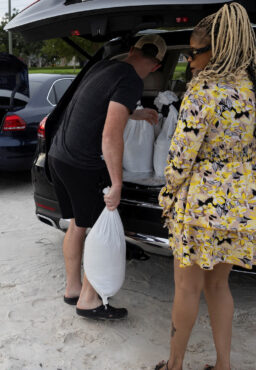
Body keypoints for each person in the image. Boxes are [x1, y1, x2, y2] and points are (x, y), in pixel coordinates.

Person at [154, 3, 256, 370]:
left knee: (187, 287)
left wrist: (169, 192)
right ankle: (224, 365)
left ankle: (175, 366)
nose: (190, 61)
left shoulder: (203, 91)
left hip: (203, 207)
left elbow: (179, 161)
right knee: (219, 286)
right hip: (248, 203)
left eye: (195, 53)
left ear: (219, 49)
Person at [47, 34, 165, 320]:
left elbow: (95, 107)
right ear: (156, 66)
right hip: (85, 165)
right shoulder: (131, 80)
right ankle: (89, 300)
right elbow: (111, 135)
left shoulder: (104, 67)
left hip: (59, 156)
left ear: (132, 50)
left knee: (76, 224)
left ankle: (73, 289)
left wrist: (134, 114)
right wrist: (117, 183)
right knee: (98, 231)